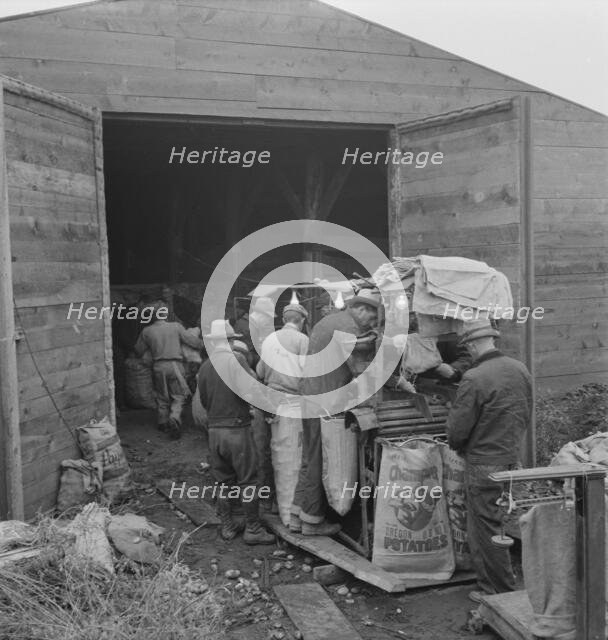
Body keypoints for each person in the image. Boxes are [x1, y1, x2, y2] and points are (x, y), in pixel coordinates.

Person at [446, 319, 532, 602]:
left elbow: (458, 429)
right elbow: (526, 412)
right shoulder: (520, 369)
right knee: (500, 519)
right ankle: (500, 586)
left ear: (471, 345)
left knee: (485, 528)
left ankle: (498, 592)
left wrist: (456, 445)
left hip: (483, 461)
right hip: (509, 457)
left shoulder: (475, 377)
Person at [290, 288, 381, 536]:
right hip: (323, 401)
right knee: (321, 458)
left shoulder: (329, 320)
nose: (371, 324)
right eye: (372, 318)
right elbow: (359, 368)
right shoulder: (348, 328)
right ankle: (312, 522)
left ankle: (297, 516)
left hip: (310, 395)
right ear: (362, 309)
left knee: (309, 457)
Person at [198, 320, 275, 545]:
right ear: (231, 340)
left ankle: (228, 526)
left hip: (214, 433)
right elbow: (253, 391)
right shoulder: (237, 359)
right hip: (236, 431)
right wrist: (267, 413)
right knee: (249, 481)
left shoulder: (204, 366)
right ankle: (253, 529)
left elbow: (203, 400)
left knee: (223, 481)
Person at [255, 304, 309, 513]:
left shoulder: (269, 339)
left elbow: (260, 370)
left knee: (275, 451)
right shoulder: (302, 340)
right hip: (292, 401)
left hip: (270, 400)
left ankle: (275, 503)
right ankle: (289, 509)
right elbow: (308, 373)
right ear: (302, 321)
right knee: (292, 454)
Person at [134, 300, 203, 439]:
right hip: (175, 365)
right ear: (165, 313)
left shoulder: (147, 331)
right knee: (179, 395)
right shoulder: (176, 327)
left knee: (161, 395)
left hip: (158, 367)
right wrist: (203, 345)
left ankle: (162, 421)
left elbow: (138, 350)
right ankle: (174, 417)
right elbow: (191, 341)